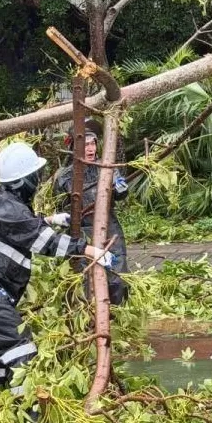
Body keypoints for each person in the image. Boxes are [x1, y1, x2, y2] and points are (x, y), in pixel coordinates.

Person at [0, 141, 120, 394]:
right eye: (36, 176)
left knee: (0, 342)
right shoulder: (11, 208)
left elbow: (17, 229)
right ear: (25, 180)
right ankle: (27, 414)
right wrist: (91, 251)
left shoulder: (3, 202)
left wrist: (47, 220)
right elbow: (45, 242)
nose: (39, 180)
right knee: (21, 346)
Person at [54, 127, 130, 305]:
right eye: (85, 145)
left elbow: (121, 191)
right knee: (85, 279)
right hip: (81, 232)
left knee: (117, 275)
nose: (90, 149)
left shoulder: (107, 168)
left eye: (92, 144)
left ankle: (118, 314)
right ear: (74, 148)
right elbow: (59, 208)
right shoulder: (64, 176)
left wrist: (119, 186)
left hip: (109, 228)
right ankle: (89, 317)